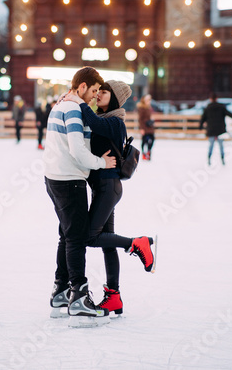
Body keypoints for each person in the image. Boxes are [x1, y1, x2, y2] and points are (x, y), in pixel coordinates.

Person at [64, 80, 156, 316]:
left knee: (89, 237)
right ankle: (113, 296)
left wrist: (77, 100)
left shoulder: (115, 122)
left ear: (114, 98)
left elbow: (92, 121)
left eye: (103, 92)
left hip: (108, 187)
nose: (98, 96)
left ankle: (137, 243)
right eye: (98, 92)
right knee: (107, 242)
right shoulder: (104, 119)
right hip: (103, 187)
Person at [44, 67, 116, 327]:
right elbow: (77, 150)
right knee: (75, 237)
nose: (96, 96)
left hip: (53, 177)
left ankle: (61, 291)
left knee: (66, 235)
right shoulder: (72, 108)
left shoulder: (60, 105)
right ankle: (79, 296)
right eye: (94, 90)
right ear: (82, 86)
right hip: (68, 179)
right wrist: (101, 163)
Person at [199, 93, 232, 165]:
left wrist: (200, 126)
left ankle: (209, 159)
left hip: (211, 130)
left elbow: (203, 118)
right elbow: (230, 114)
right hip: (220, 130)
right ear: (216, 98)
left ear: (210, 99)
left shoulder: (208, 108)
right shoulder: (221, 107)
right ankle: (222, 160)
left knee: (211, 145)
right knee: (221, 145)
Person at [137, 94, 155, 160]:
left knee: (152, 139)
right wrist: (141, 128)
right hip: (144, 127)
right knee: (145, 140)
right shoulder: (141, 108)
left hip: (150, 126)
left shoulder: (149, 108)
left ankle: (148, 151)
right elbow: (140, 119)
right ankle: (143, 154)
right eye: (148, 100)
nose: (149, 101)